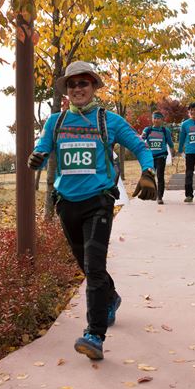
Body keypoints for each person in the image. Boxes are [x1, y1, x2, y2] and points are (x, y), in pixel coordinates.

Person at [27, 60, 156, 361]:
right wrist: (37, 157)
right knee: (86, 266)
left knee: (94, 266)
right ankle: (110, 297)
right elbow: (43, 151)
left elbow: (141, 148)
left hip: (98, 201)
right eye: (72, 84)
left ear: (94, 87)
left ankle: (94, 334)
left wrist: (148, 171)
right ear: (66, 91)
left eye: (83, 83)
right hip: (67, 205)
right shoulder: (55, 122)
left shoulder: (108, 120)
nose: (77, 89)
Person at [141, 111, 176, 205]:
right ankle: (155, 193)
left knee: (160, 176)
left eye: (158, 118)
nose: (156, 120)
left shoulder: (165, 131)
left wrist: (173, 152)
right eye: (154, 118)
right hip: (150, 158)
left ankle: (160, 196)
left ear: (162, 120)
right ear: (152, 119)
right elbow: (141, 140)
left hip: (161, 157)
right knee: (151, 176)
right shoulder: (147, 130)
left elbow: (170, 143)